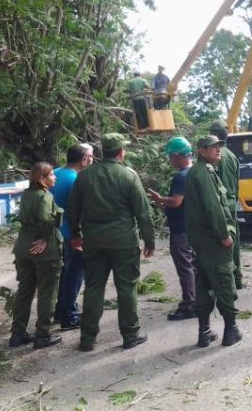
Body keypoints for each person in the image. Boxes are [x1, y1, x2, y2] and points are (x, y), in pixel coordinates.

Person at [68, 133, 155, 352]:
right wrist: (149, 240)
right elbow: (142, 212)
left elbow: (73, 210)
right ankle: (130, 334)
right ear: (120, 152)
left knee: (94, 287)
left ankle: (87, 339)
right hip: (124, 241)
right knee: (126, 287)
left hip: (94, 241)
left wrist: (75, 234)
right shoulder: (129, 176)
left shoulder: (84, 176)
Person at [185, 135, 241, 347]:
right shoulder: (204, 173)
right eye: (212, 147)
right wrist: (224, 235)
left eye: (218, 146)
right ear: (201, 151)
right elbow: (213, 208)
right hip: (213, 240)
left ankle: (204, 331)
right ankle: (231, 329)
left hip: (201, 241)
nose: (218, 150)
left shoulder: (196, 172)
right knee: (224, 283)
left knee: (204, 284)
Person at [9, 162, 63, 349]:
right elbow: (47, 219)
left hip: (23, 248)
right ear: (41, 178)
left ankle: (17, 334)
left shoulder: (26, 195)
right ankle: (42, 335)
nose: (54, 177)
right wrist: (46, 239)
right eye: (51, 175)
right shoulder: (44, 197)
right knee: (47, 292)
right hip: (43, 252)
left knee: (25, 290)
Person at [147, 136, 196, 320]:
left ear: (178, 156)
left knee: (185, 267)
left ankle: (190, 305)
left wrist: (159, 199)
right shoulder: (196, 172)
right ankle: (198, 300)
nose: (169, 160)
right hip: (191, 226)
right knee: (193, 266)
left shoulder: (181, 176)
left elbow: (176, 202)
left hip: (181, 230)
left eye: (170, 156)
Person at [51, 143, 94, 330]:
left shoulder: (56, 173)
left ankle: (62, 310)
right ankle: (69, 315)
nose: (92, 159)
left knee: (67, 273)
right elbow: (80, 210)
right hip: (72, 233)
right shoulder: (76, 179)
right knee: (75, 274)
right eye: (90, 156)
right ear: (83, 159)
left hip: (56, 232)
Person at [209, 120, 242, 289]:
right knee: (234, 242)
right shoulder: (233, 156)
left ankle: (226, 281)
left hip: (221, 204)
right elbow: (237, 184)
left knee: (222, 241)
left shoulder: (215, 156)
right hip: (232, 202)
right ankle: (237, 277)